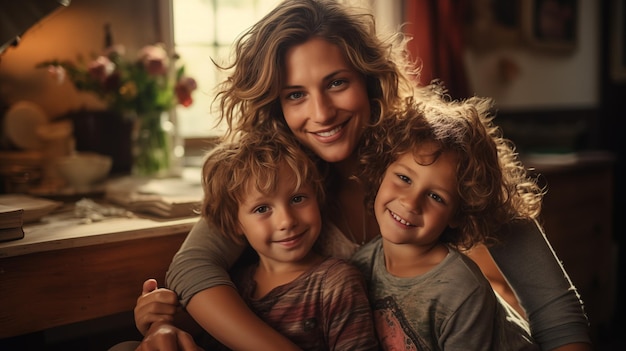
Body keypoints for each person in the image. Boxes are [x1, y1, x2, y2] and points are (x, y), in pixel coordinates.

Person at [132, 0, 592, 350]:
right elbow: (192, 268)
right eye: (295, 94)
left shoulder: (433, 150)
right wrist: (165, 324)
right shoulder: (277, 177)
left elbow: (556, 310)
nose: (321, 113)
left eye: (336, 82)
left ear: (369, 79)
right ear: (275, 105)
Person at [351, 92, 542, 350]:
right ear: (382, 170)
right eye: (404, 178)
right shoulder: (360, 265)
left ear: (458, 215)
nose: (411, 202)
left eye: (435, 196)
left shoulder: (461, 289)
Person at [199, 130, 378, 350]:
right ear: (235, 224)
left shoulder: (337, 283)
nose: (287, 221)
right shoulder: (231, 288)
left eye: (297, 198)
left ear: (317, 197)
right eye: (262, 208)